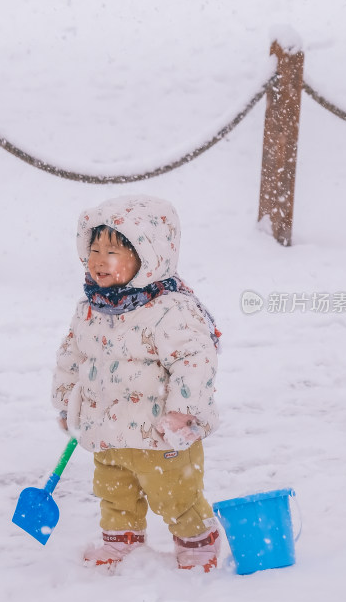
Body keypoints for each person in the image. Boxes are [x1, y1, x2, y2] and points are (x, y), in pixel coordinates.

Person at [52, 194, 221, 572]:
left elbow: (195, 361)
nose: (97, 260)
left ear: (149, 257)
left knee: (176, 494)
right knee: (113, 491)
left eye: (111, 252)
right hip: (107, 429)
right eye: (93, 249)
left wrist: (182, 412)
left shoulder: (170, 310)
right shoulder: (91, 308)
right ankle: (122, 540)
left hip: (160, 434)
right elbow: (71, 356)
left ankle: (198, 539)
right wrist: (66, 401)